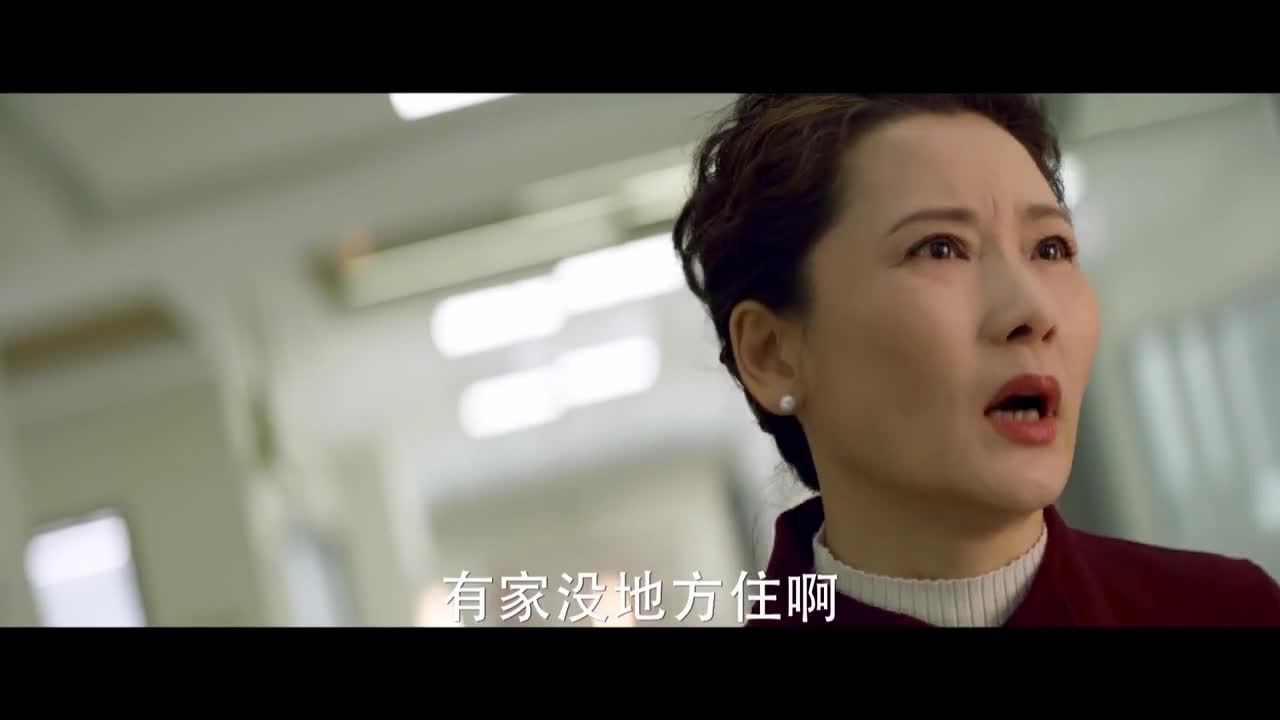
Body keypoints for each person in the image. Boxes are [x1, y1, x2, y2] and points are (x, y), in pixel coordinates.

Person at [672, 94, 1280, 627]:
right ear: (771, 354)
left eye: (1050, 248)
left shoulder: (1233, 610)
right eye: (940, 249)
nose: (1031, 310)